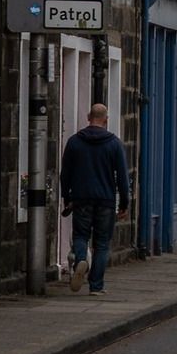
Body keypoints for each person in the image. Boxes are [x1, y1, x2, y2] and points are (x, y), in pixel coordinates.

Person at [58, 103, 129, 294]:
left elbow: (65, 174)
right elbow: (122, 177)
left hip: (81, 198)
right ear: (106, 120)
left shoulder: (74, 142)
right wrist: (124, 203)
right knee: (102, 243)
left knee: (81, 235)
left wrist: (67, 197)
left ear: (89, 117)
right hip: (105, 200)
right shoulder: (114, 144)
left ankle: (81, 259)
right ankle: (96, 286)